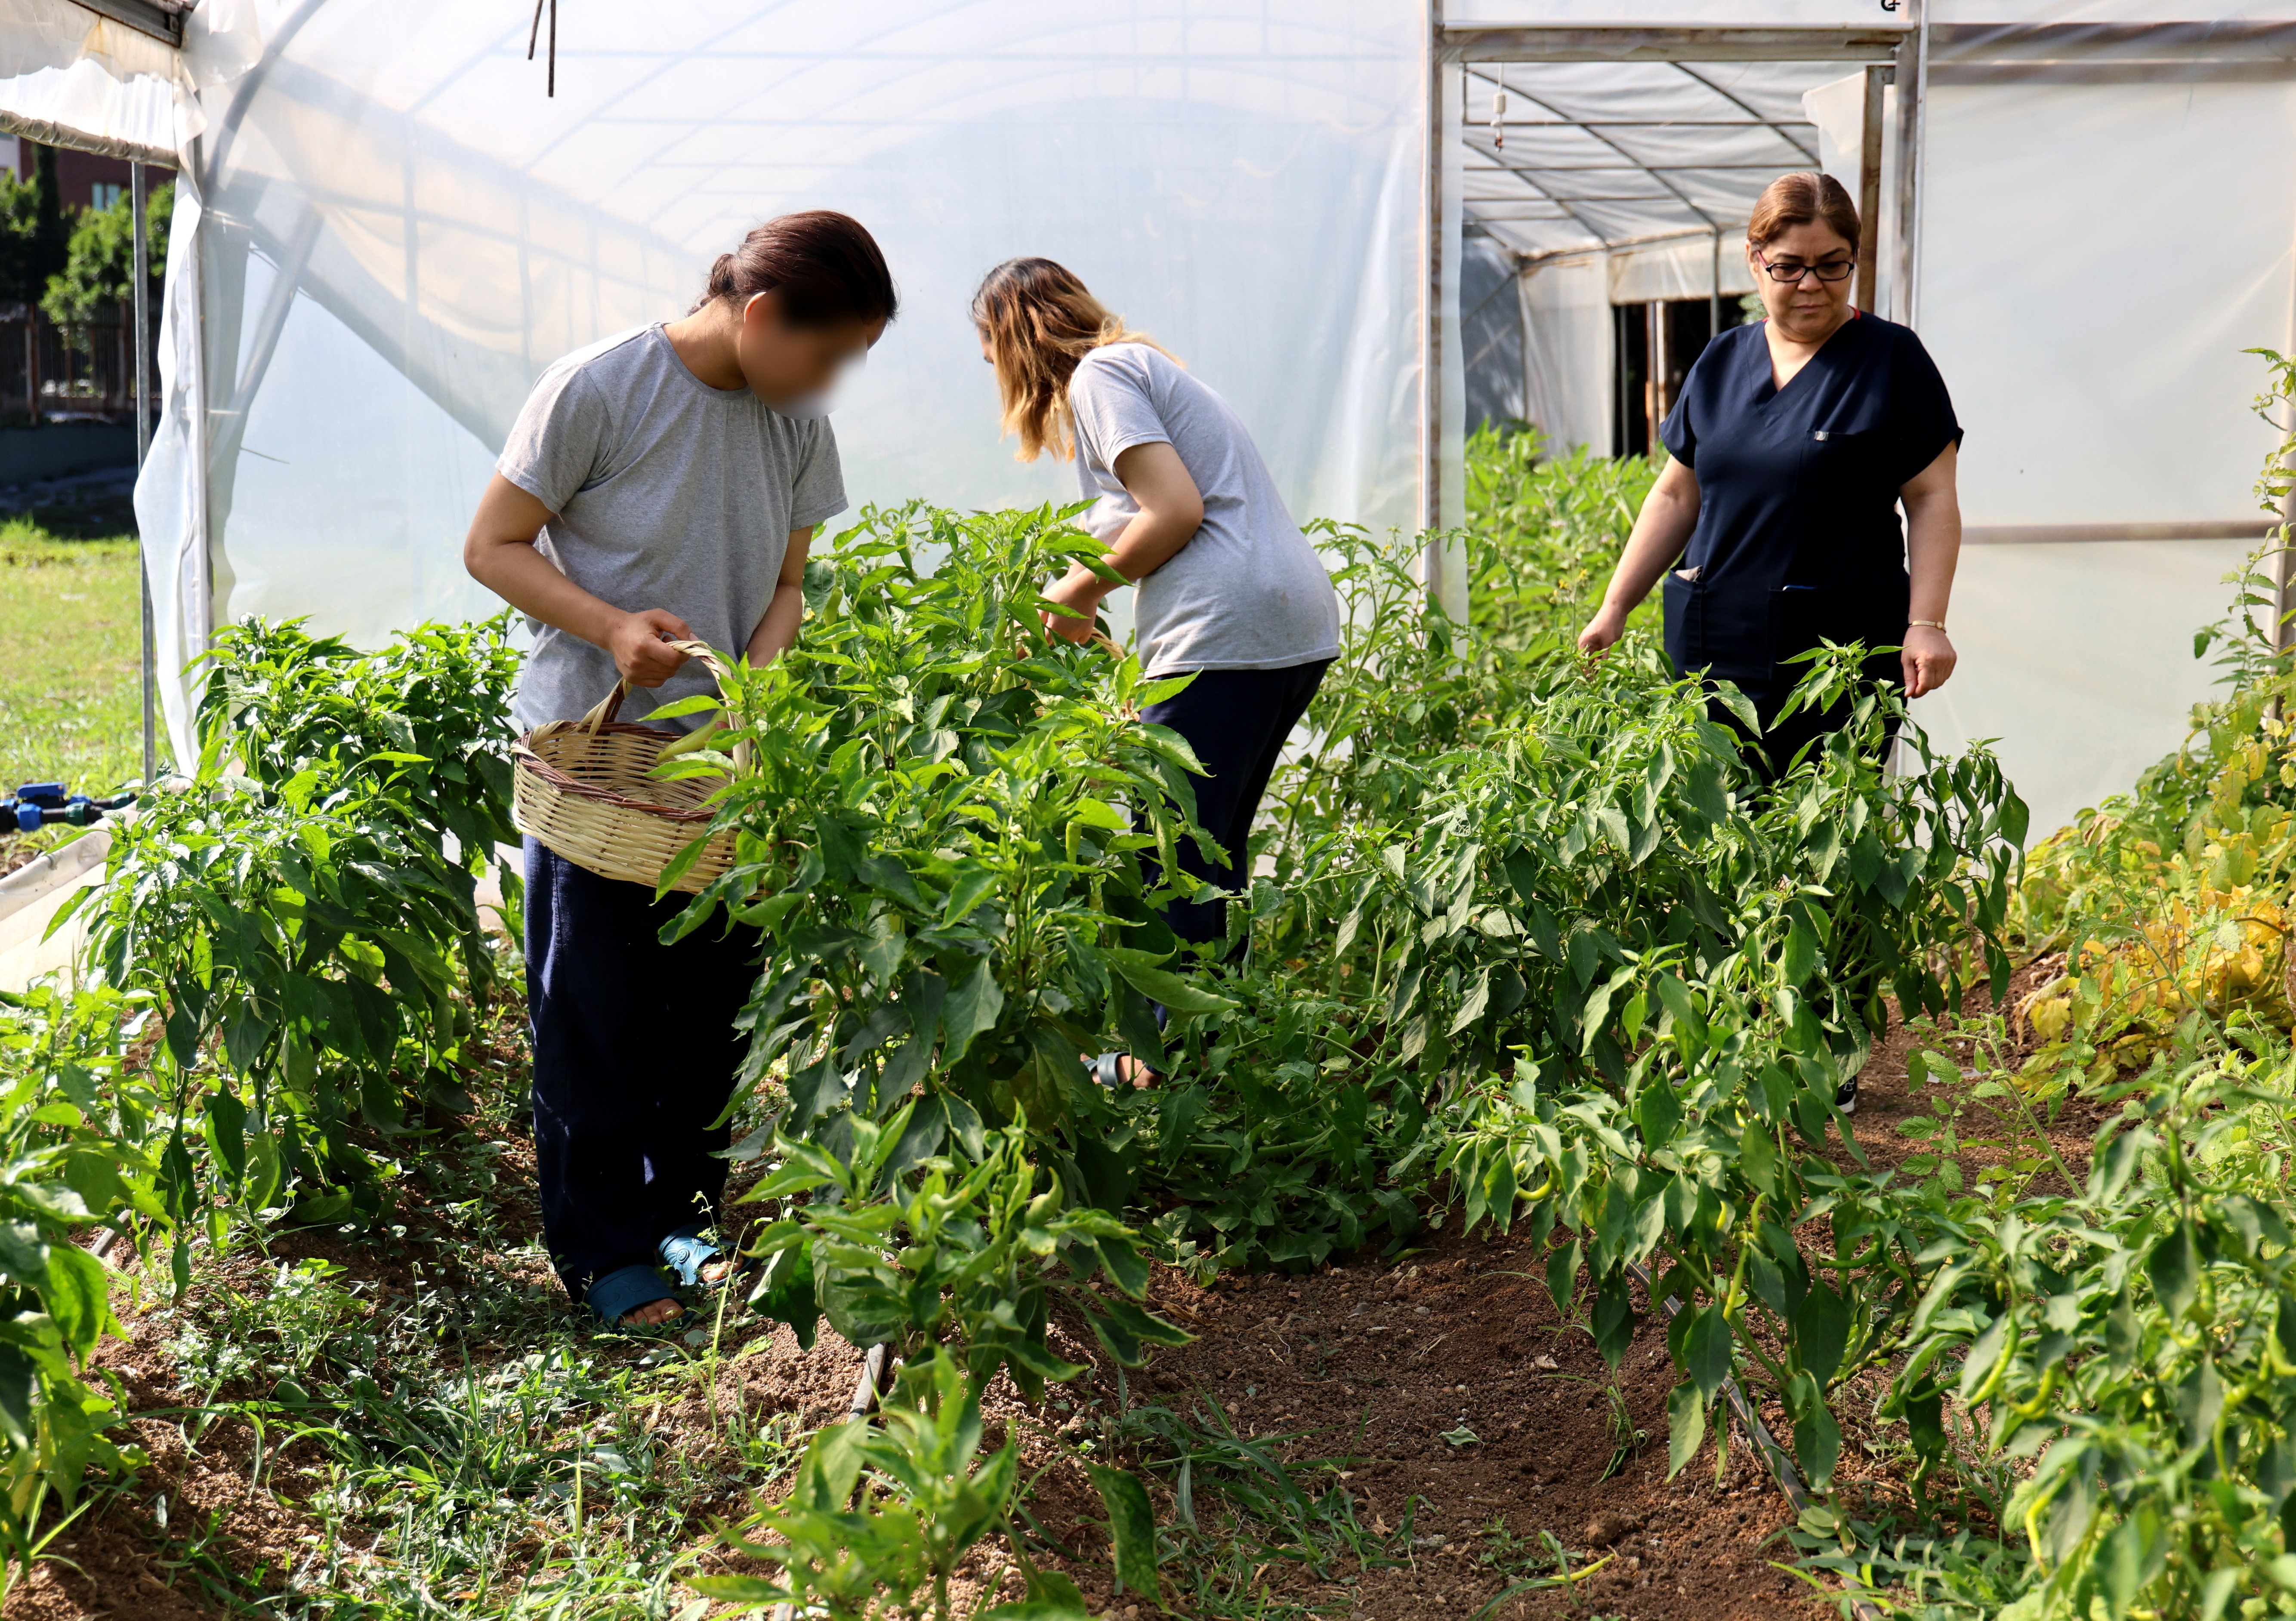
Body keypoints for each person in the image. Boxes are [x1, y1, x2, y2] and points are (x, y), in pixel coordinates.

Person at [464, 211, 896, 1328]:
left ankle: (685, 1221)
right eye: (832, 352)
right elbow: (493, 546)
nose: (835, 379)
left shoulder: (795, 425)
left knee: (711, 1012)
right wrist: (612, 630)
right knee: (595, 1014)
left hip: (722, 775)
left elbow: (789, 586)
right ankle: (604, 1250)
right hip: (597, 762)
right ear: (759, 317)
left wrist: (754, 700)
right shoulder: (599, 390)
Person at [1575, 171, 1964, 1112]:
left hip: (1837, 652)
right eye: (1790, 266)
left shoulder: (1891, 362)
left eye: (1834, 266)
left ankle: (1821, 1048)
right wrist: (1617, 603)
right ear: (1755, 261)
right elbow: (1677, 493)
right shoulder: (1720, 362)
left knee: (1824, 842)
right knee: (1717, 840)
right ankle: (1733, 1035)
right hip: (1712, 639)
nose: (1813, 285)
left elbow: (1933, 501)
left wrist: (1927, 620)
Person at [971, 258, 1340, 1083]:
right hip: (1283, 624)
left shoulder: (1102, 373)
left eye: (989, 344)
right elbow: (1149, 518)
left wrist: (1074, 591)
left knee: (1167, 853)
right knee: (1211, 851)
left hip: (1229, 628)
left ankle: (1159, 1065)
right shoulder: (1141, 369)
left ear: (1020, 333)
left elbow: (1175, 510)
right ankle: (1222, 1049)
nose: (989, 367)